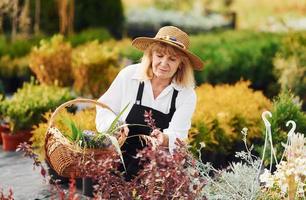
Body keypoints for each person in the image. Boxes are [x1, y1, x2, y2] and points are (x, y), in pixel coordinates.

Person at [95, 26, 204, 180]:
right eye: (159, 55)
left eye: (172, 59)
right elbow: (104, 107)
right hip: (117, 159)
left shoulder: (186, 94)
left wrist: (165, 139)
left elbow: (179, 136)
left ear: (181, 63)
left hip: (156, 168)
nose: (164, 63)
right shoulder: (129, 76)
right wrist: (115, 126)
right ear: (151, 55)